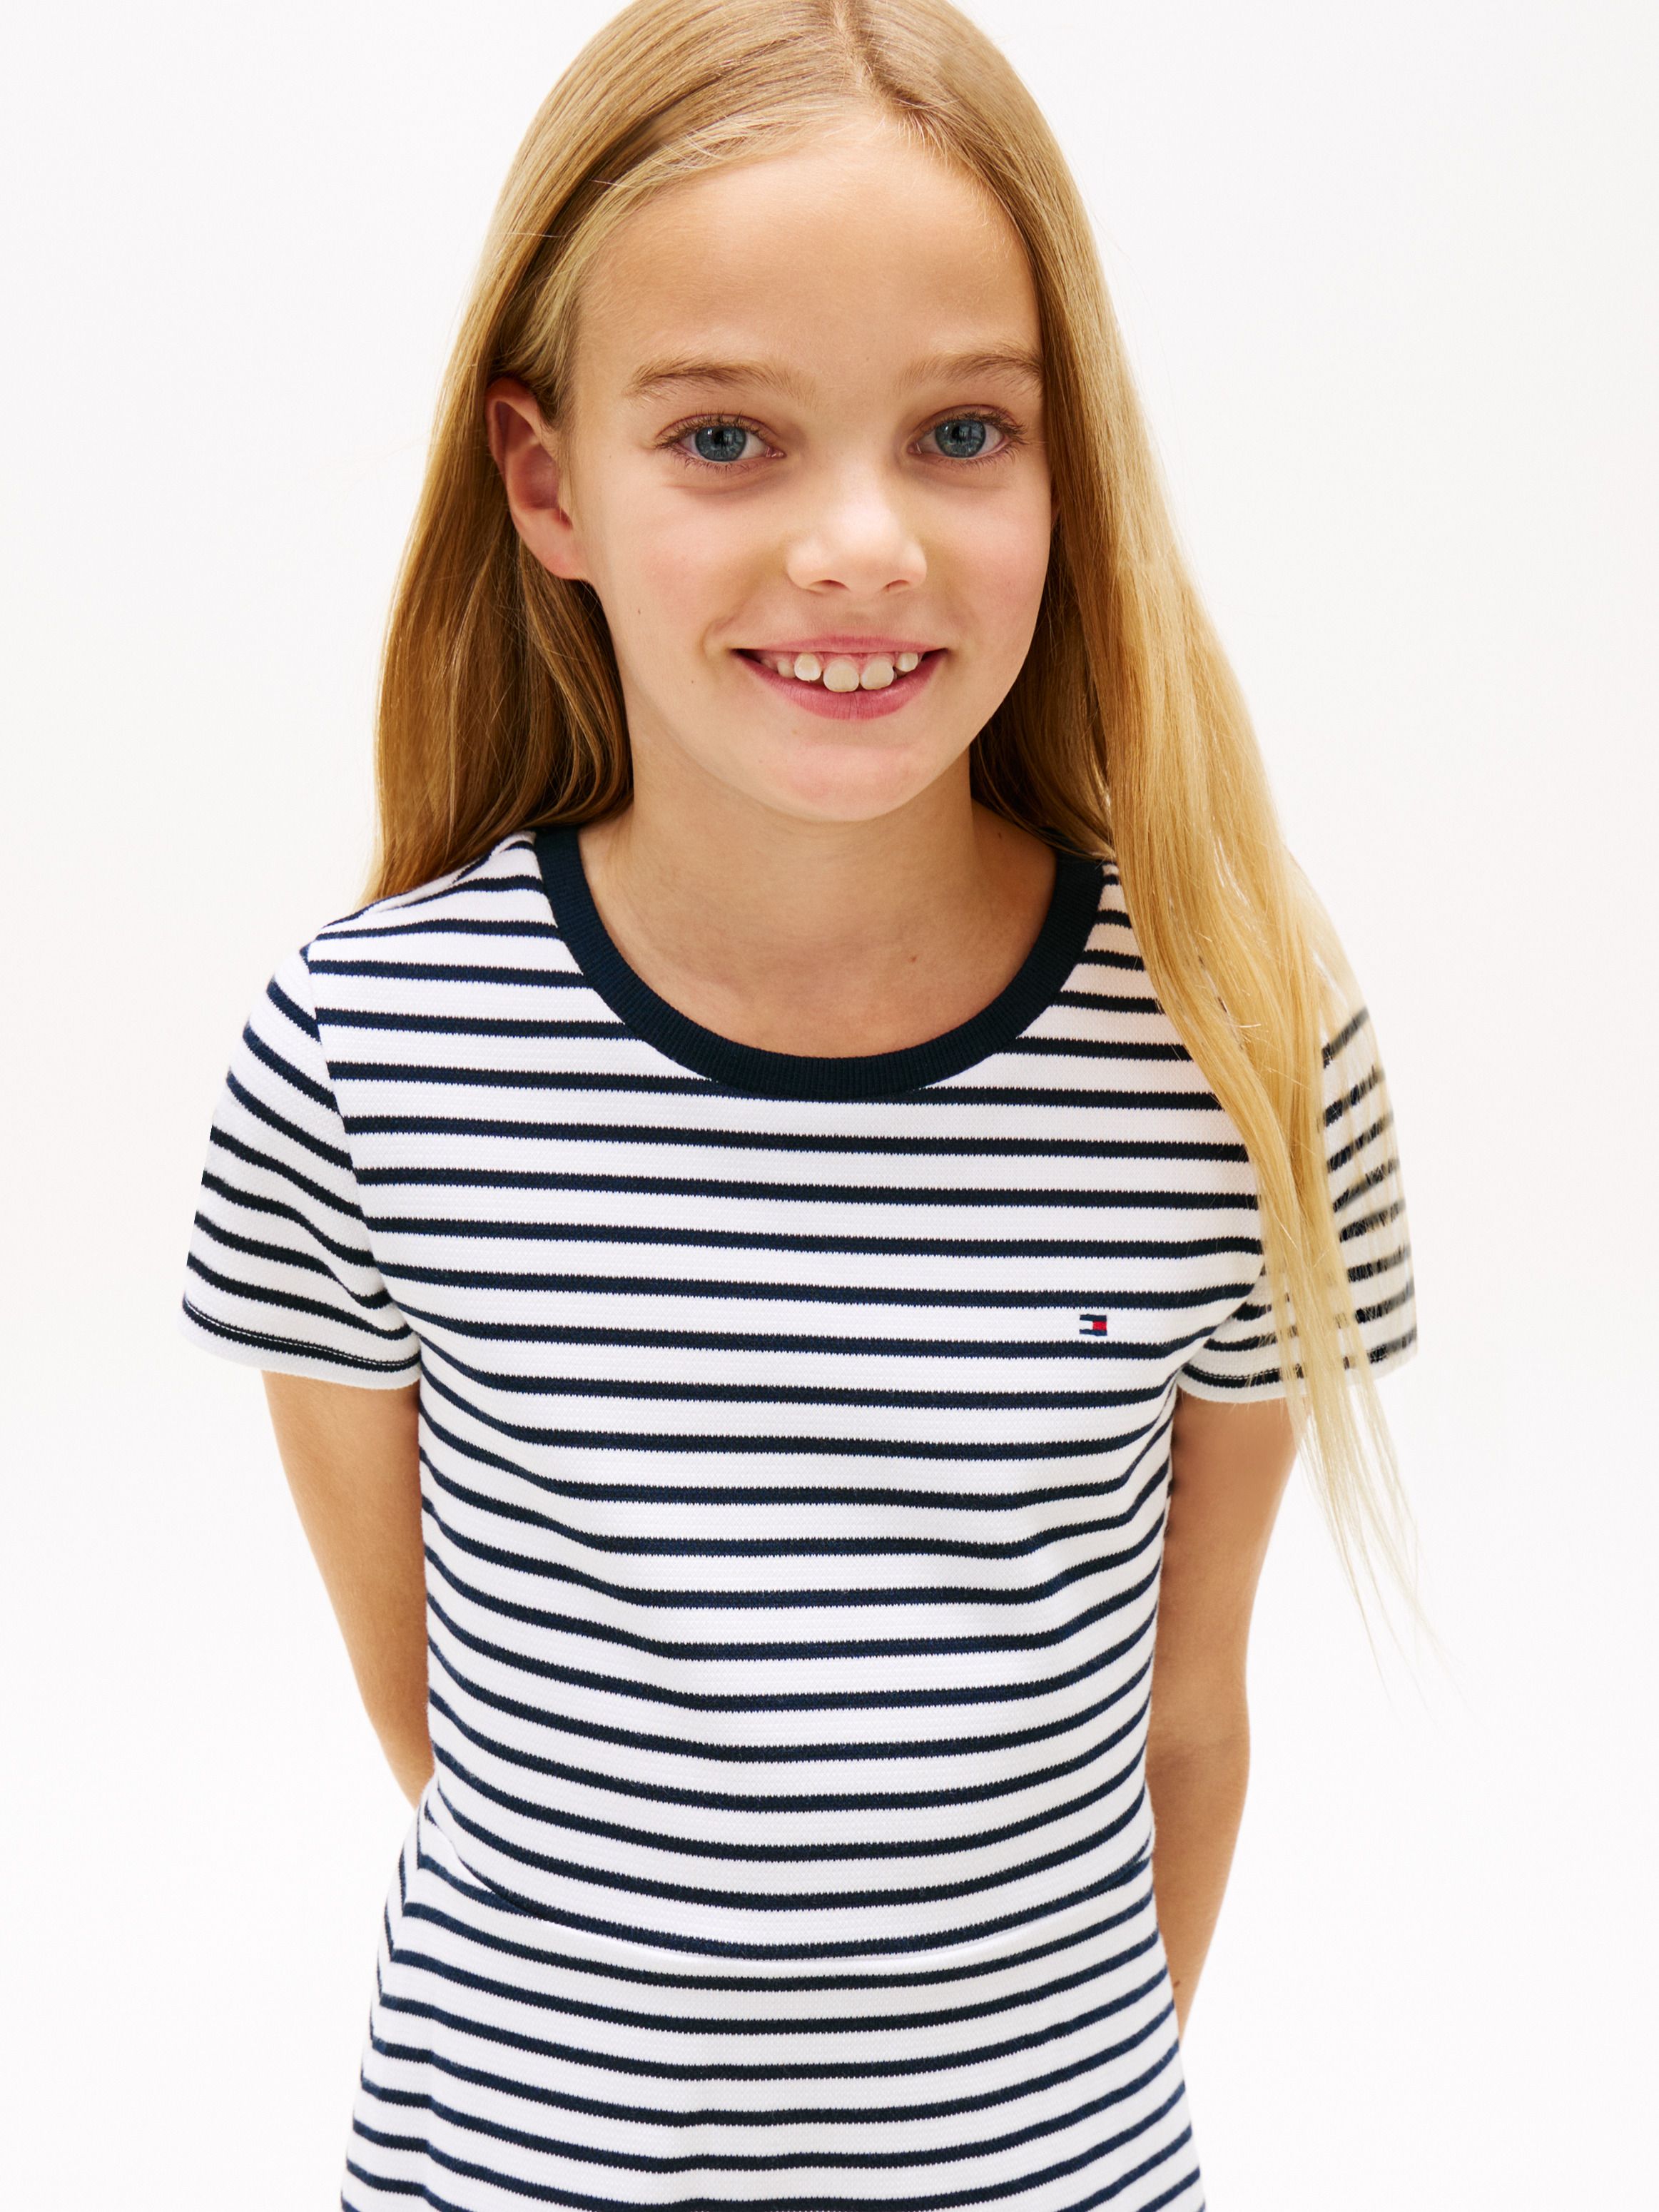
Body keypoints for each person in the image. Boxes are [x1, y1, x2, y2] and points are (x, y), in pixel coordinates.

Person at [178, 2, 1421, 2204]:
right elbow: (450, 1725)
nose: (862, 544)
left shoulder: (1238, 1048)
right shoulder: (361, 1058)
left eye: (963, 429)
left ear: (1069, 467)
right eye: (729, 437)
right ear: (548, 480)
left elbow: (1188, 1720)